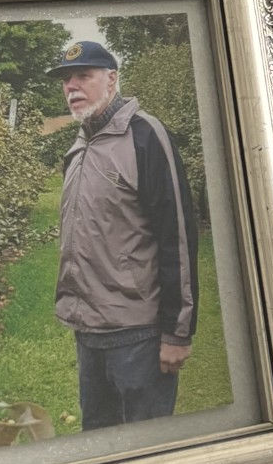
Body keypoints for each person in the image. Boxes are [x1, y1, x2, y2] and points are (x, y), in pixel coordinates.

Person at [52, 39, 199, 430]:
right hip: (88, 333)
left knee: (147, 447)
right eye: (66, 80)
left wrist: (177, 333)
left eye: (83, 76)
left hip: (138, 337)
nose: (71, 87)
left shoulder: (145, 135)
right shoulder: (79, 144)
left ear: (112, 79)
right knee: (99, 443)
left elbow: (177, 236)